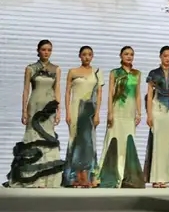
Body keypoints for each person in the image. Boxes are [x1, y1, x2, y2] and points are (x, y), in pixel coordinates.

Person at [5, 40, 65, 188]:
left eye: (49, 50)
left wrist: (58, 110)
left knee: (47, 137)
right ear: (38, 51)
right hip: (34, 106)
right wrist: (24, 111)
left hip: (49, 107)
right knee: (33, 137)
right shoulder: (30, 68)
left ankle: (48, 179)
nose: (46, 52)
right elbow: (26, 90)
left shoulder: (56, 69)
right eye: (43, 49)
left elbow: (57, 89)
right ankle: (31, 178)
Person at [98, 46, 144, 188]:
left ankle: (126, 176)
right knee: (114, 140)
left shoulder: (137, 74)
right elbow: (110, 94)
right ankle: (111, 175)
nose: (129, 56)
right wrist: (110, 112)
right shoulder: (115, 73)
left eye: (131, 54)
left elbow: (137, 94)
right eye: (126, 54)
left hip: (130, 113)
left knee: (127, 142)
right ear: (121, 56)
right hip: (117, 111)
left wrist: (139, 112)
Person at [62, 46, 104, 188]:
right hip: (75, 108)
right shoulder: (73, 72)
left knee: (88, 141)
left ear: (92, 56)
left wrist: (97, 113)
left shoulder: (97, 72)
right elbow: (67, 93)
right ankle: (73, 177)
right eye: (84, 54)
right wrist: (67, 112)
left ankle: (87, 175)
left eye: (89, 54)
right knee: (74, 140)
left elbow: (99, 94)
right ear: (79, 56)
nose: (87, 57)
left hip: (90, 110)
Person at [143, 46, 169, 188]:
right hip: (157, 110)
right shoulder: (153, 73)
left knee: (168, 143)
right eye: (165, 56)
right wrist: (149, 114)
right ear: (160, 56)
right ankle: (156, 177)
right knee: (157, 143)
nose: (167, 58)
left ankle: (164, 177)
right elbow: (149, 96)